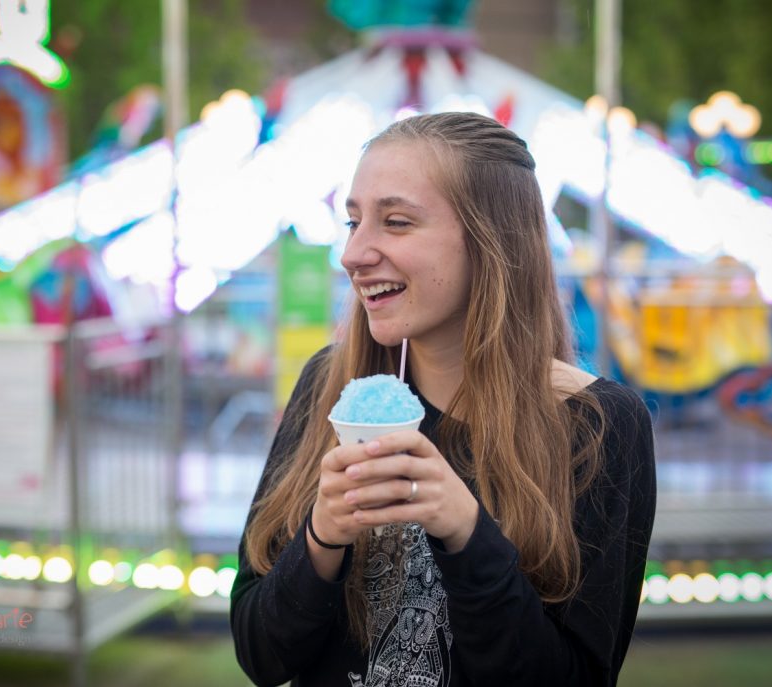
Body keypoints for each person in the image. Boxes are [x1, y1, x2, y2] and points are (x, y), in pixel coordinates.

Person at [231, 111, 656, 687]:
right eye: (354, 222)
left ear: (493, 239)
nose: (354, 254)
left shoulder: (599, 424)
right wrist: (322, 535)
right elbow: (262, 655)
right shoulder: (329, 387)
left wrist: (465, 531)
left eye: (397, 222)